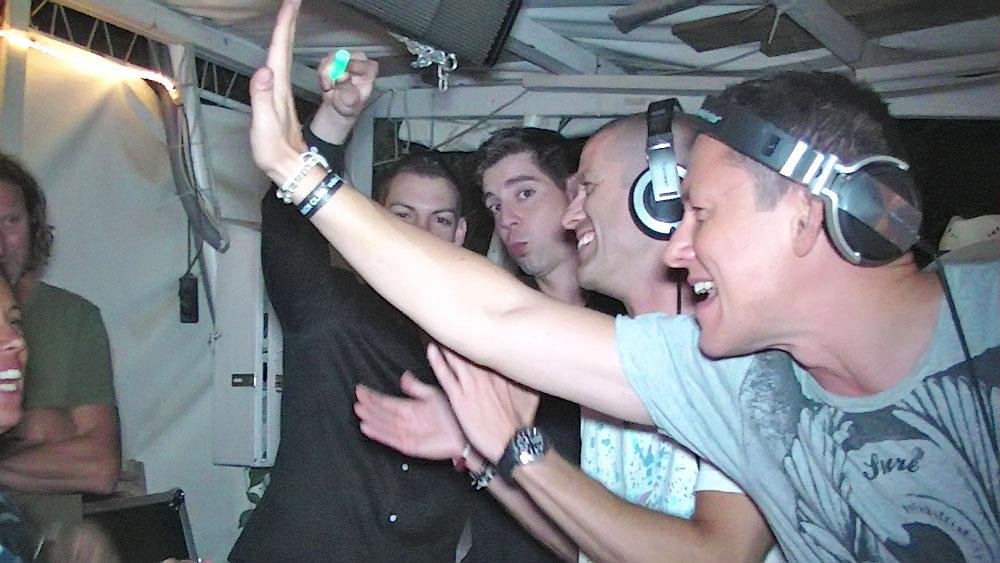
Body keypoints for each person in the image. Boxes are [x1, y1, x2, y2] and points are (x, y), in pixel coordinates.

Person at [249, 2, 999, 559]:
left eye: (701, 213)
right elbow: (501, 319)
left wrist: (510, 448)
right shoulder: (733, 376)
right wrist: (300, 170)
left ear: (809, 214)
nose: (680, 247)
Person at [358, 115, 780, 562]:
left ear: (660, 200)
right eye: (495, 205)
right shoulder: (616, 358)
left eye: (587, 190)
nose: (573, 215)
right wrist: (480, 454)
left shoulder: (740, 358)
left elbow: (719, 557)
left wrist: (517, 448)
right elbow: (591, 548)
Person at [229, 49, 469, 562]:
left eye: (441, 220)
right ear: (371, 221)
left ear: (461, 233)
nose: (421, 233)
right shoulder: (327, 308)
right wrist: (335, 121)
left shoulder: (487, 345)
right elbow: (290, 225)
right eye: (402, 214)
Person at [360, 126, 586, 561]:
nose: (508, 219)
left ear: (575, 194)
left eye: (524, 194)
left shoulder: (626, 328)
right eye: (495, 205)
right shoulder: (481, 324)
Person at [0, 154, 119, 539]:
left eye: (11, 221)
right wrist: (42, 433)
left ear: (33, 227)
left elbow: (100, 467)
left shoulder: (73, 318)